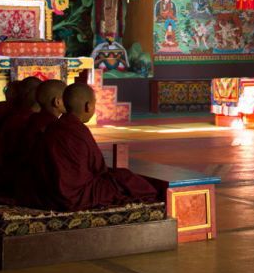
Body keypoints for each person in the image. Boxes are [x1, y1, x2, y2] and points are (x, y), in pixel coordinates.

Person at [23, 83, 160, 211]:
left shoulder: (53, 127)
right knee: (127, 179)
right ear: (88, 106)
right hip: (74, 196)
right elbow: (98, 169)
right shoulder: (77, 130)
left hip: (46, 193)